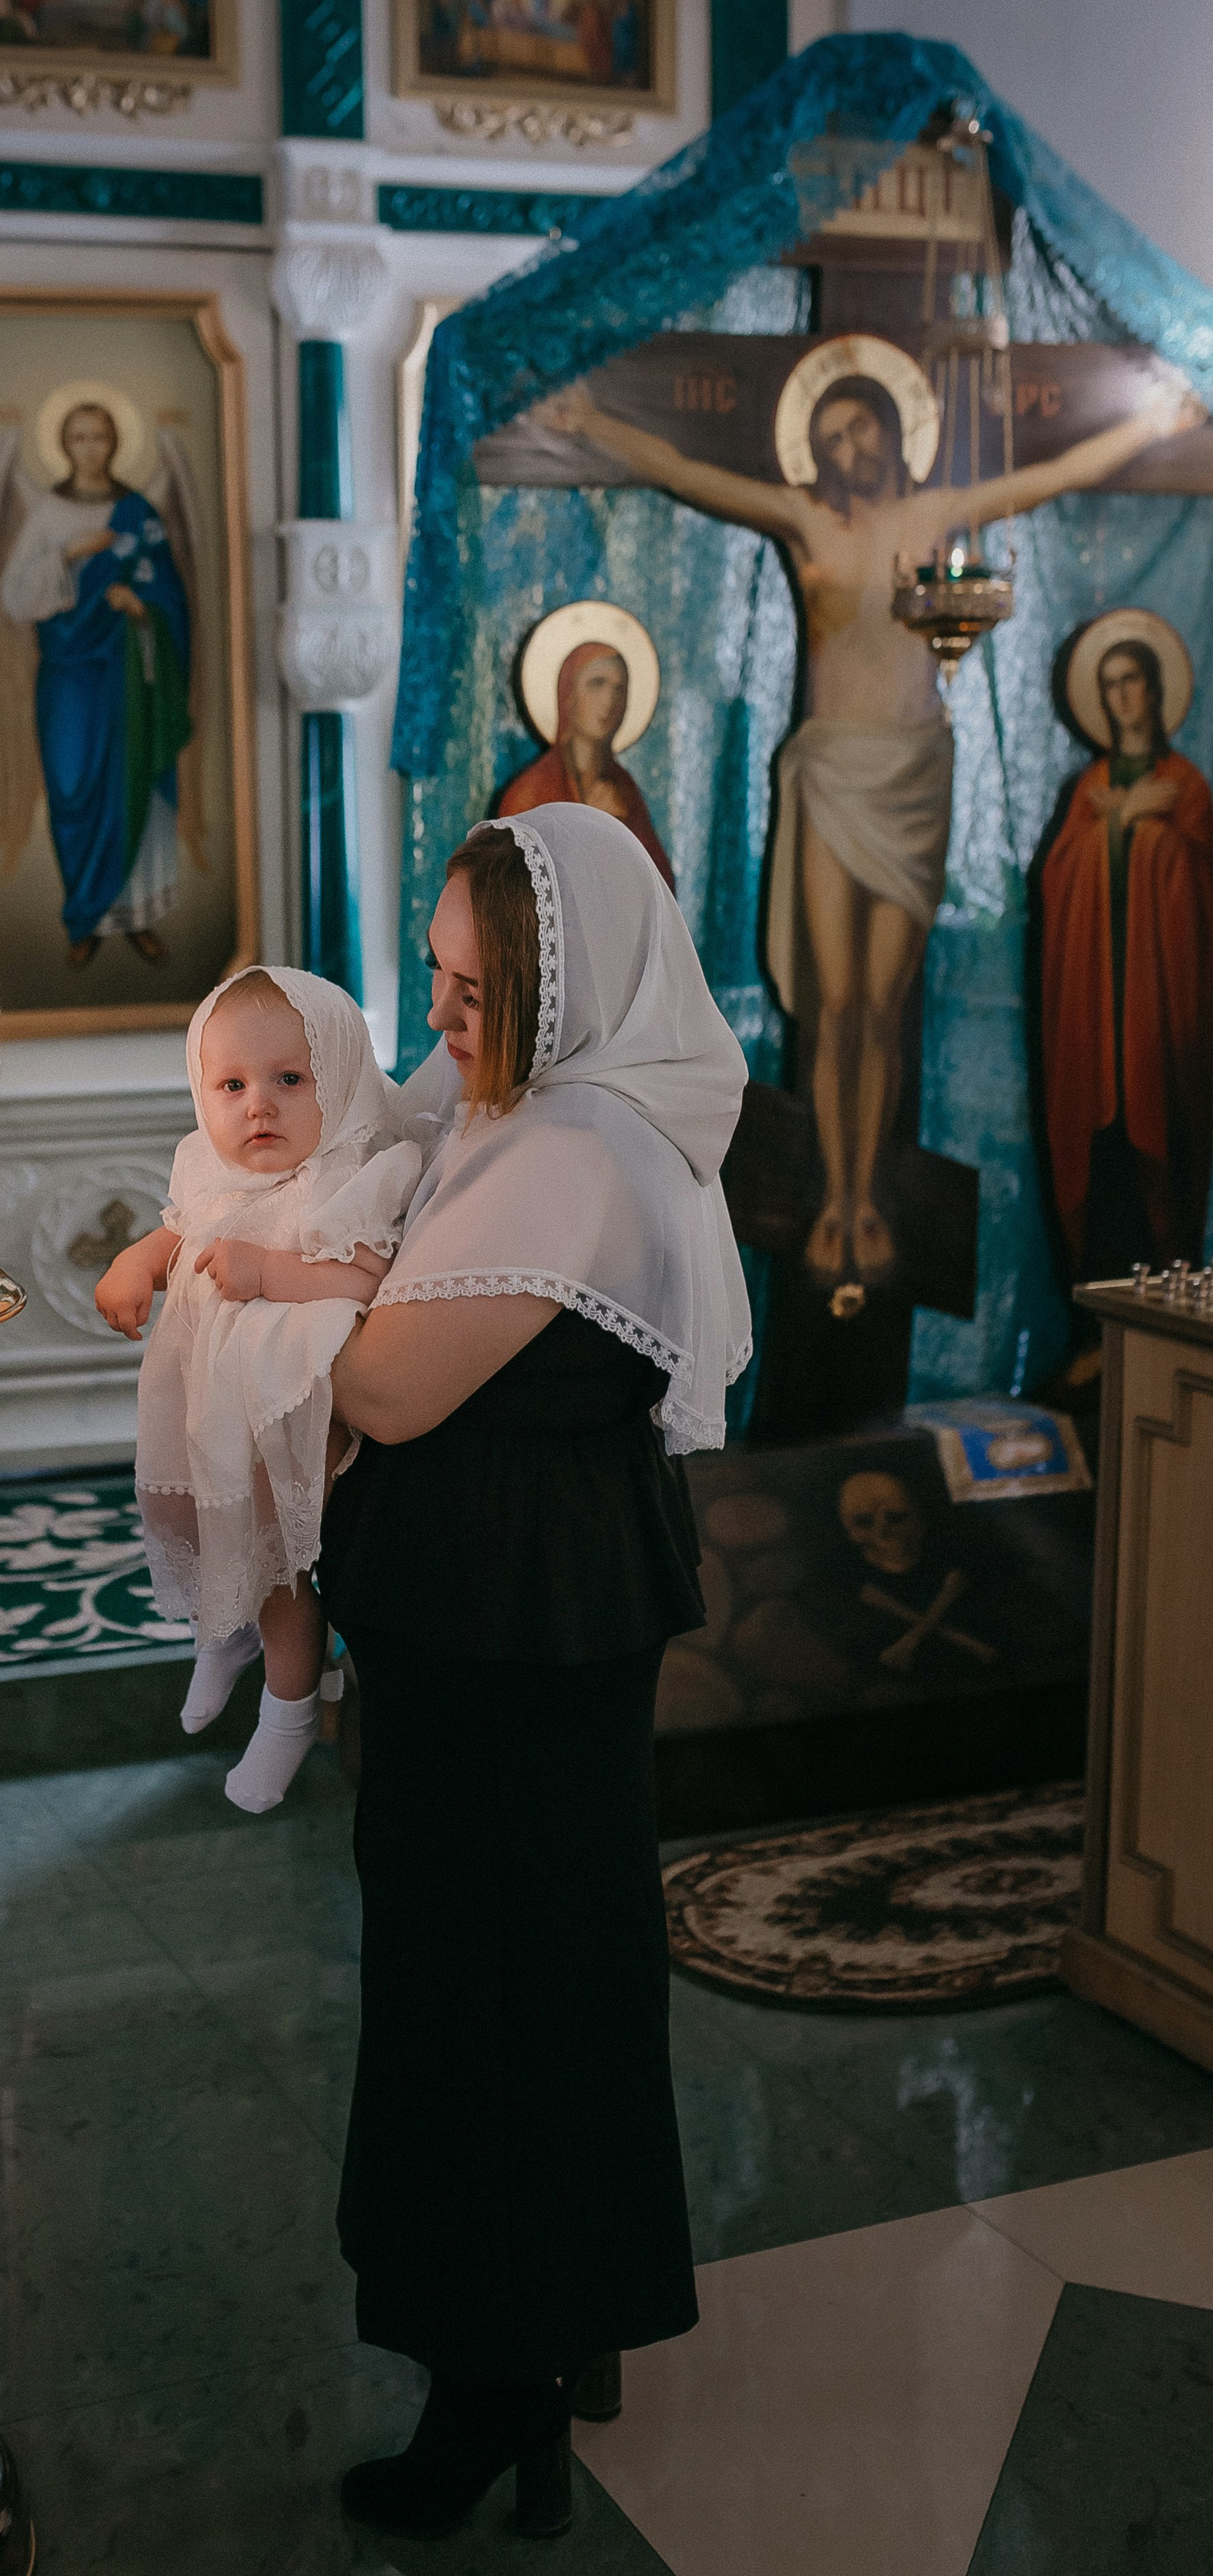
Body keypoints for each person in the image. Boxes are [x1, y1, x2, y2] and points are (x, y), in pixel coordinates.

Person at [314, 804, 750, 2542]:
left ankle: (491, 2381)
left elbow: (385, 1388)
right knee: (518, 1971)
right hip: (504, 1606)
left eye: (473, 990)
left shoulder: (574, 1144)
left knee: (483, 1990)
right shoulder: (529, 1114)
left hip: (515, 1618)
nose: (440, 1022)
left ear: (565, 990)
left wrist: (270, 1315)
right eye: (429, 976)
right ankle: (539, 2341)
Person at [534, 362, 1200, 1287]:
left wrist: (1151, 423)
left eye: (863, 432)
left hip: (913, 777)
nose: (850, 450)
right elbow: (692, 474)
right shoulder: (807, 520)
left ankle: (866, 1201)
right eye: (833, 438)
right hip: (831, 774)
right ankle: (833, 1201)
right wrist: (592, 418)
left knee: (881, 1011)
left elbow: (1047, 477)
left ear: (891, 433)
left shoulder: (940, 514)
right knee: (835, 1007)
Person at [96, 967, 421, 1812]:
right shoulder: (209, 1167)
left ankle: (287, 1710)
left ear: (341, 1079)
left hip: (292, 1428)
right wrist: (135, 1263)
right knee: (192, 1514)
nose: (258, 1107)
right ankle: (225, 1631)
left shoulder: (357, 1168)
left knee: (279, 1570)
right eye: (232, 1085)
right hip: (211, 1406)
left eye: (289, 1079)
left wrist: (271, 1269)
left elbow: (368, 1276)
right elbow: (178, 1232)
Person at [1039, 636, 1213, 1276]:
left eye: (1132, 679)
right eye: (1110, 684)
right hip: (1097, 1004)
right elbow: (1058, 883)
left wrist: (1146, 834)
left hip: (1158, 1008)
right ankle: (1095, 1328)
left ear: (1155, 687)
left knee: (1163, 1147)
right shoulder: (1091, 788)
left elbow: (1201, 891)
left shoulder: (1186, 788)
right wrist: (1114, 827)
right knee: (1103, 1158)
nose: (1121, 696)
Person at [0, 401, 191, 966]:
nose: (90, 447)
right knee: (71, 783)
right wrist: (68, 551)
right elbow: (13, 595)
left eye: (100, 436)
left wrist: (141, 607)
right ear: (63, 443)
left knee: (130, 780)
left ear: (113, 443)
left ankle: (136, 917)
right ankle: (84, 914)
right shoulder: (51, 511)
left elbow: (173, 597)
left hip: (128, 675)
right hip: (69, 676)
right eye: (78, 436)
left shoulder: (138, 512)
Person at [494, 637, 675, 887]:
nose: (609, 700)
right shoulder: (530, 792)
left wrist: (622, 829)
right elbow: (515, 892)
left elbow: (661, 891)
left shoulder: (625, 790)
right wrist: (597, 830)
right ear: (568, 693)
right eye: (597, 684)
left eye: (620, 688)